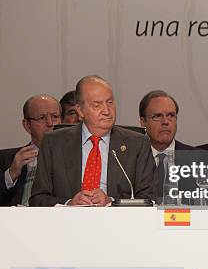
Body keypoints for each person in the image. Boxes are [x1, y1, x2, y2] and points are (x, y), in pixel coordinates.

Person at [30, 76, 155, 206]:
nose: (107, 111)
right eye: (97, 105)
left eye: (110, 102)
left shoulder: (138, 144)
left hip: (118, 223)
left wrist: (111, 202)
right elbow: (37, 198)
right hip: (67, 222)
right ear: (80, 110)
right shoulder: (53, 143)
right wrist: (68, 203)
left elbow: (149, 198)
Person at [0, 95, 62, 206]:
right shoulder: (6, 158)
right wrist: (11, 173)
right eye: (42, 118)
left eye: (55, 116)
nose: (50, 123)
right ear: (27, 125)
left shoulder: (73, 157)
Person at [139, 90, 193, 204]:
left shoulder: (196, 159)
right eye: (157, 116)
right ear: (143, 121)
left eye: (171, 115)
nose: (165, 122)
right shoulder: (130, 160)